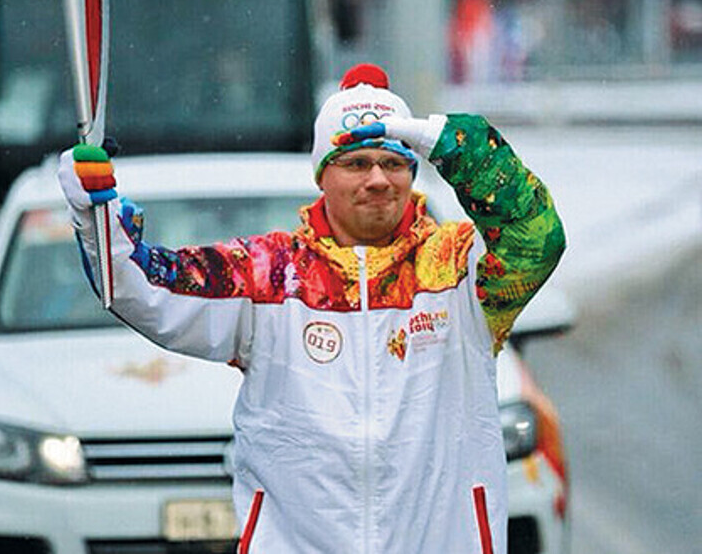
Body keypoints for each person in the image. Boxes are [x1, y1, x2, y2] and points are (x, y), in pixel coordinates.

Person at [58, 63, 565, 554]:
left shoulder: (456, 271)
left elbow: (536, 235)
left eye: (394, 162)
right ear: (323, 175)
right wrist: (95, 218)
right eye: (356, 162)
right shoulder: (269, 274)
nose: (378, 179)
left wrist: (451, 143)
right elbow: (143, 288)